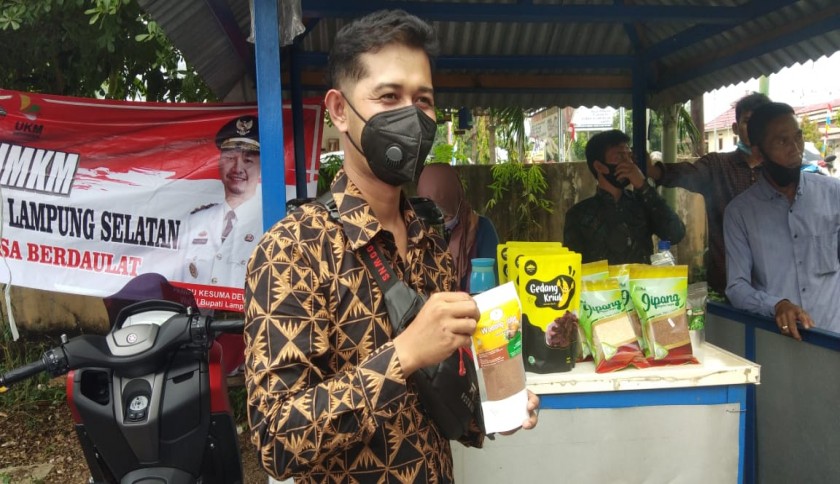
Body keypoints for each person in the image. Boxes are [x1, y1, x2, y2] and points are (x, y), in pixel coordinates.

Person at [243, 10, 539, 482]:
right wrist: (403, 355)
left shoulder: (429, 241)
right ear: (340, 110)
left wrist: (489, 412)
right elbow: (275, 440)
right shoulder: (293, 249)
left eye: (423, 100)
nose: (412, 116)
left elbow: (436, 396)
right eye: (389, 97)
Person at [724, 101, 840, 340]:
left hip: (834, 340)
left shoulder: (833, 194)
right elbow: (736, 287)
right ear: (758, 154)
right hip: (778, 344)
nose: (795, 150)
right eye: (781, 142)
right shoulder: (740, 213)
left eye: (798, 138)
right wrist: (776, 305)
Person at [648, 93, 771, 296]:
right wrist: (654, 171)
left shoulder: (778, 172)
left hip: (772, 286)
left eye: (762, 121)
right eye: (748, 121)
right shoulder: (717, 166)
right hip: (726, 284)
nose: (754, 128)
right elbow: (684, 173)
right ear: (735, 128)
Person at [563, 129, 686, 264]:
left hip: (641, 279)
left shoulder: (643, 203)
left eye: (630, 156)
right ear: (599, 166)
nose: (629, 163)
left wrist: (643, 186)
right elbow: (572, 266)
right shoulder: (580, 214)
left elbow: (675, 234)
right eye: (620, 157)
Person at [180, 114, 263, 288]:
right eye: (230, 158)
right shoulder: (195, 221)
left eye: (248, 160)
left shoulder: (268, 224)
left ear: (261, 168)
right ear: (218, 162)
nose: (238, 168)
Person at [416, 163, 500, 292]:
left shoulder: (482, 229)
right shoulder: (413, 233)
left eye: (446, 216)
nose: (440, 225)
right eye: (434, 219)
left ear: (458, 201)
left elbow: (494, 284)